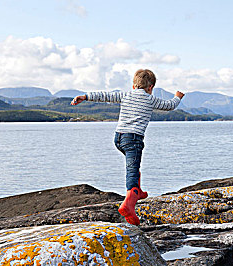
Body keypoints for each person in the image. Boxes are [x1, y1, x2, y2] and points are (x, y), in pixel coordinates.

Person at [71, 69, 185, 225]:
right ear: (150, 88)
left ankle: (138, 191)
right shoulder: (150, 99)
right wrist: (177, 97)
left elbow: (105, 96)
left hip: (119, 138)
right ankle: (129, 203)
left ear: (133, 85)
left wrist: (85, 96)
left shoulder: (126, 95)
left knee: (134, 165)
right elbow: (170, 105)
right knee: (132, 168)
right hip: (133, 139)